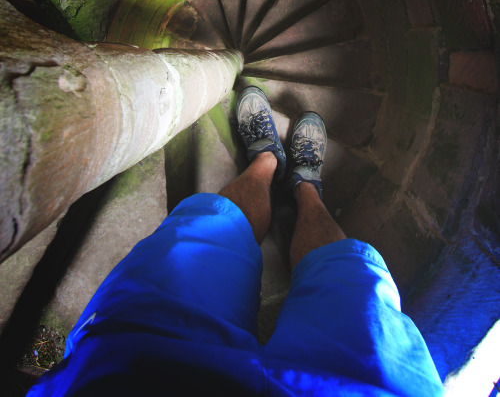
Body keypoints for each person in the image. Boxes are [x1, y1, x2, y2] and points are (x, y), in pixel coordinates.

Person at [28, 86, 443, 396]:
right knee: (349, 280)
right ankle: (286, 173)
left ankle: (285, 174)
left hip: (134, 370)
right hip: (366, 387)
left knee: (205, 232)